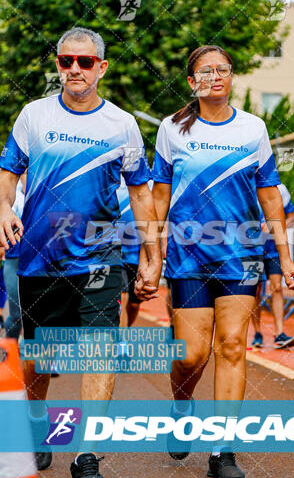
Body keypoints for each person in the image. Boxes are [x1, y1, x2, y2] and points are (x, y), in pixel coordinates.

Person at [0, 27, 162, 477]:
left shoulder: (122, 124)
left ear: (101, 68)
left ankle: (86, 453)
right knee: (38, 355)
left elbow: (142, 194)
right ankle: (37, 423)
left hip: (99, 257)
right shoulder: (33, 116)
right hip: (38, 254)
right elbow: (8, 174)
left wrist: (152, 254)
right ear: (57, 64)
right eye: (65, 61)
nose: (74, 69)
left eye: (84, 62)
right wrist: (1, 208)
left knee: (99, 350)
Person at [152, 45, 294, 478]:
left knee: (233, 347)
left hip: (241, 256)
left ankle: (223, 450)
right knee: (192, 356)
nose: (216, 77)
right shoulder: (171, 130)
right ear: (191, 81)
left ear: (232, 77)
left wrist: (285, 257)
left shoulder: (253, 129)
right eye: (206, 71)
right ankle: (182, 408)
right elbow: (159, 195)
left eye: (223, 70)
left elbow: (270, 194)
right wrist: (152, 253)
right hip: (188, 257)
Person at [251, 183, 294, 349]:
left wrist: (274, 227)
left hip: (275, 248)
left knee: (277, 287)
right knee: (254, 291)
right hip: (252, 248)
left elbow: (291, 216)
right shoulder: (247, 184)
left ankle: (279, 333)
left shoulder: (281, 189)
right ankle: (257, 333)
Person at [2, 174, 26, 339]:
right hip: (13, 258)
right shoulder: (10, 193)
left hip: (37, 259)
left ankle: (29, 357)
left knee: (34, 311)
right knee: (17, 313)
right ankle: (9, 353)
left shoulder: (43, 190)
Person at [117, 178, 142, 328]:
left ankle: (125, 329)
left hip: (137, 256)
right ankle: (121, 343)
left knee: (133, 305)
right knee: (122, 298)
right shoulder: (110, 177)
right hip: (116, 253)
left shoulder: (146, 182)